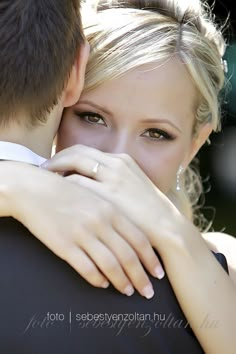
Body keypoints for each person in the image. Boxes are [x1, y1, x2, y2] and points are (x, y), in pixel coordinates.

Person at [0, 0, 235, 353]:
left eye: (157, 133)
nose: (117, 158)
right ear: (64, 93)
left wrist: (172, 233)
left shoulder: (224, 265)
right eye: (92, 117)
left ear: (194, 144)